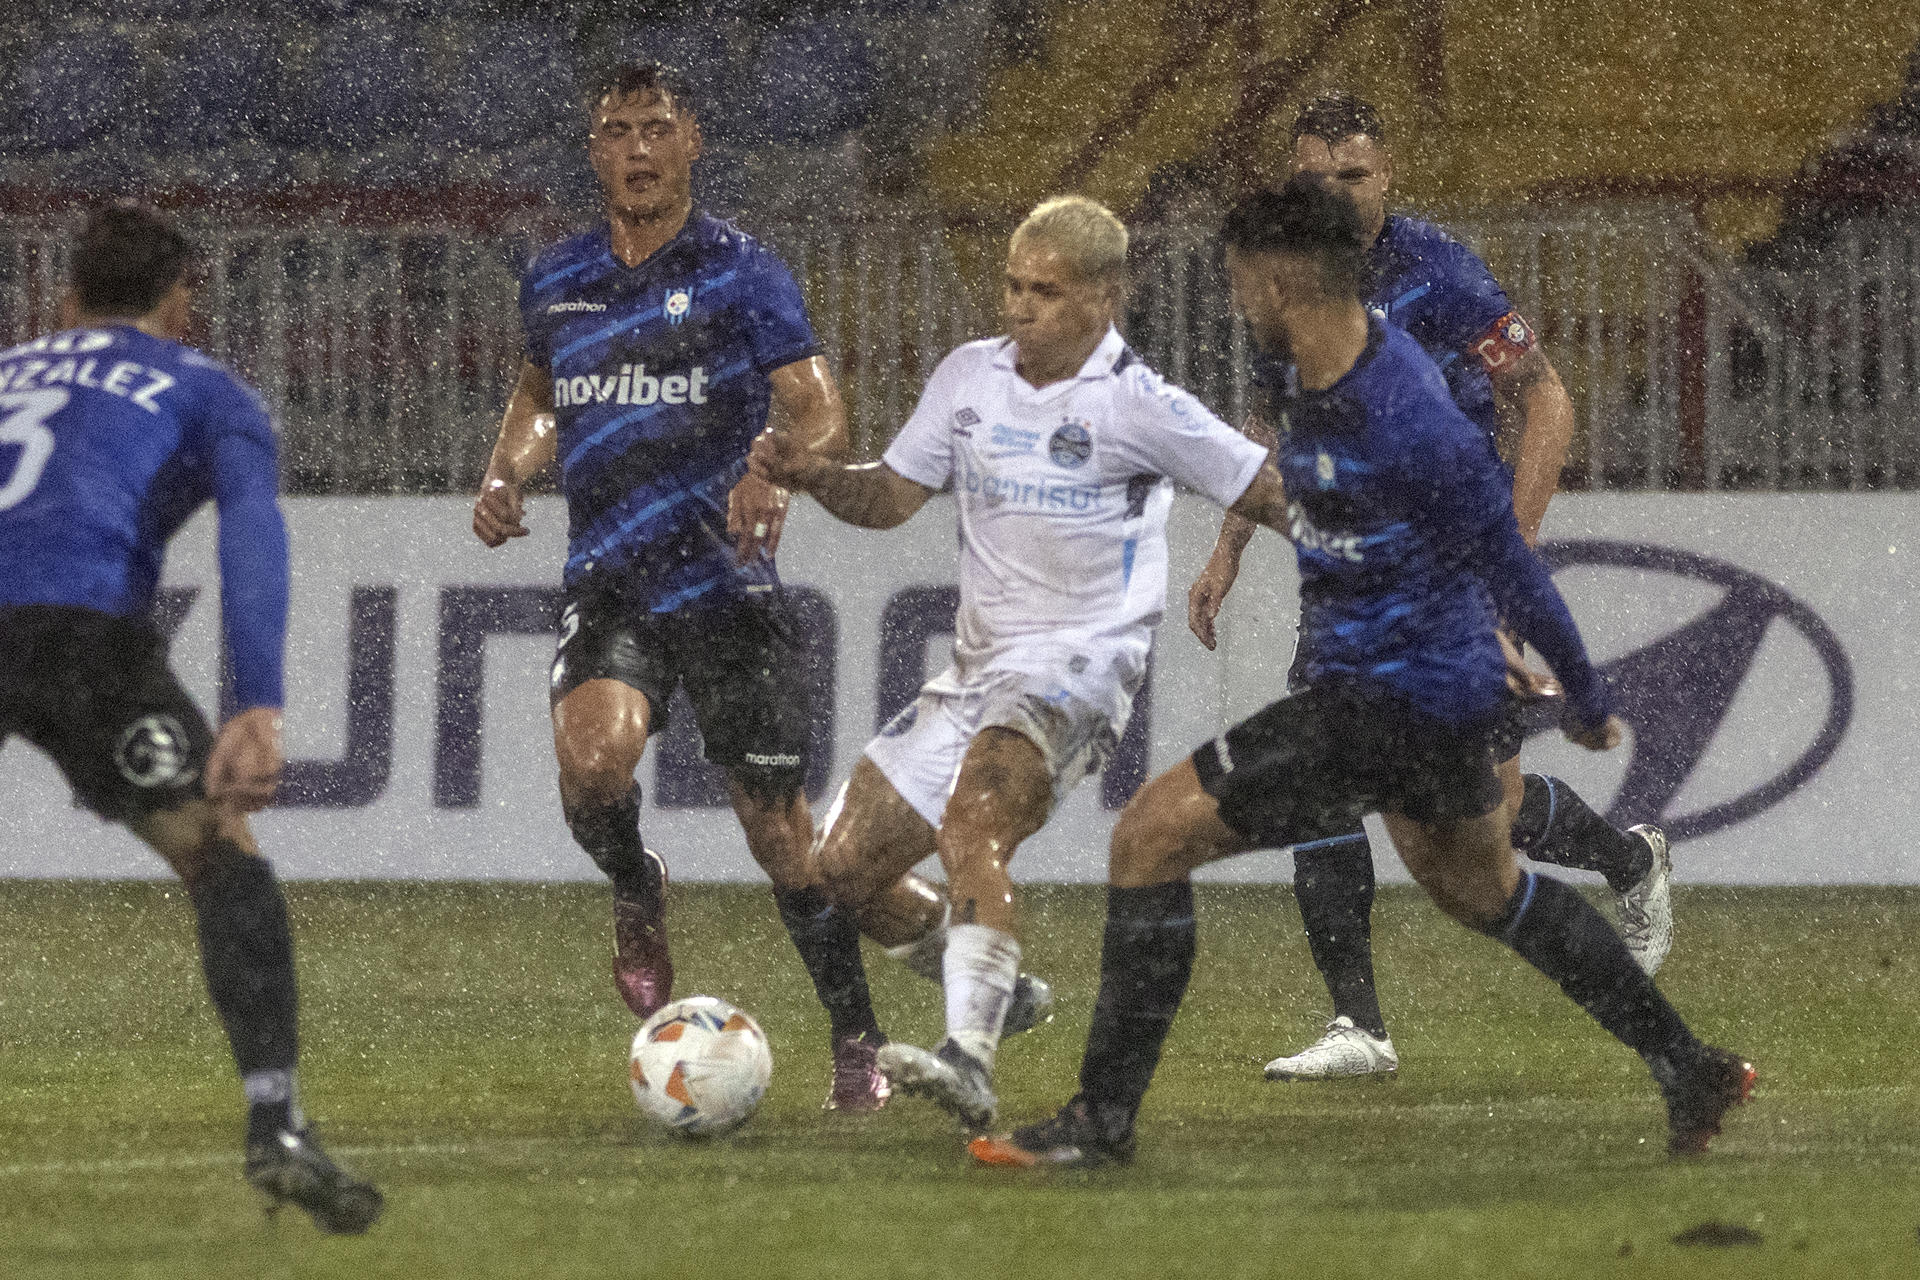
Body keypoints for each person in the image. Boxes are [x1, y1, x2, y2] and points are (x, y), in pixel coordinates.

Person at [972, 177, 1753, 1168]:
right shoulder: (1306, 372)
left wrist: (1589, 699)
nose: (1234, 298)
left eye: (1237, 280)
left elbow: (1508, 560)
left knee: (1148, 837)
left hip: (1387, 706)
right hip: (1422, 697)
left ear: (1278, 279)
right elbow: (1307, 497)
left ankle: (1100, 1119)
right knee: (1486, 891)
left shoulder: (1409, 415)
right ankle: (1693, 1065)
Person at [751, 195, 1287, 1131]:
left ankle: (970, 1058)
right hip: (976, 675)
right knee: (833, 877)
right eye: (1011, 284)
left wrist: (1390, 562)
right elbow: (889, 498)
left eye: (1046, 290)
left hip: (1078, 669)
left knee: (975, 823)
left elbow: (1271, 490)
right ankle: (1004, 988)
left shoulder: (1141, 405)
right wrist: (813, 474)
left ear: (1105, 297)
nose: (1019, 306)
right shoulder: (969, 379)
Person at [1188, 90, 1674, 1081]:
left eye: (1352, 177)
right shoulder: (1293, 288)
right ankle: (1357, 1021)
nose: (1333, 194)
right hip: (1347, 565)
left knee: (1473, 814)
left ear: (1391, 173)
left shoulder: (1441, 274)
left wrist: (1515, 547)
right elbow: (1280, 431)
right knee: (1348, 773)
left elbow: (1546, 399)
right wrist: (1228, 550)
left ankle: (1627, 863)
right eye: (1314, 179)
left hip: (1447, 563)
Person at [470, 62, 888, 1110]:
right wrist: (504, 468)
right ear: (595, 150)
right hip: (611, 575)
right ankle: (635, 883)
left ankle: (856, 1035)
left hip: (727, 588)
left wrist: (770, 463)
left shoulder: (742, 271)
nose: (639, 148)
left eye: (657, 127)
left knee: (779, 835)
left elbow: (821, 409)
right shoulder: (558, 276)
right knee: (594, 762)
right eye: (617, 130)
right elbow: (539, 394)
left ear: (692, 141)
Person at [0, 205, 382, 1232]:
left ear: (66, 301)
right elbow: (251, 533)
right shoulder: (207, 387)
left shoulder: (9, 371)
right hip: (79, 634)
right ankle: (276, 1122)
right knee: (223, 857)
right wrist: (255, 698)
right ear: (181, 303)